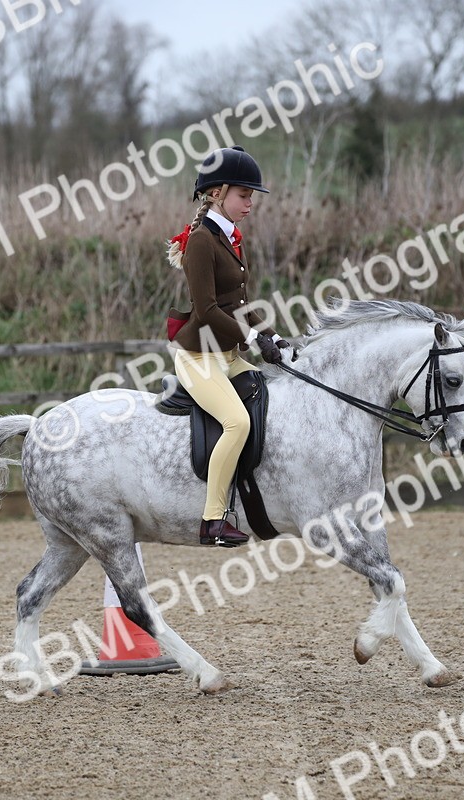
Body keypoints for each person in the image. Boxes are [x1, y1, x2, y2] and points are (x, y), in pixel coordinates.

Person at [164, 146, 296, 547]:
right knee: (236, 422)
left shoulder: (232, 239)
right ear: (218, 192)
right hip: (199, 357)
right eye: (244, 195)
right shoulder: (202, 242)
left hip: (228, 356)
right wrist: (253, 338)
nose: (250, 204)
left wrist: (271, 335)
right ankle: (213, 520)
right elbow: (205, 310)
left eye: (251, 197)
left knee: (272, 394)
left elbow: (238, 305)